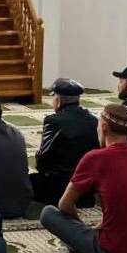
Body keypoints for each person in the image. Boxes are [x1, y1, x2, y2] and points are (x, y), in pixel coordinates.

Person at [39, 104, 127, 253]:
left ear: (104, 127)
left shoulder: (95, 158)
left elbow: (65, 205)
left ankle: (81, 242)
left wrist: (80, 228)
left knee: (48, 213)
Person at [30, 78, 98, 206]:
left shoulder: (53, 121)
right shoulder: (94, 120)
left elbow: (43, 158)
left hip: (60, 187)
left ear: (58, 101)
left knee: (26, 182)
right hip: (87, 187)